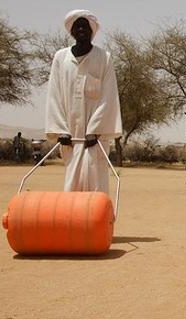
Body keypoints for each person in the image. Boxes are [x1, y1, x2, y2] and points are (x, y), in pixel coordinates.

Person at [45, 10, 122, 193]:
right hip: (70, 137)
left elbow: (108, 97)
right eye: (77, 26)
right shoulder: (61, 58)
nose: (81, 29)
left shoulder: (104, 58)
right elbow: (54, 95)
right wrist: (61, 130)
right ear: (71, 31)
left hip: (95, 139)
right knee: (72, 185)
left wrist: (95, 130)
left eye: (85, 26)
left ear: (92, 30)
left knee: (96, 185)